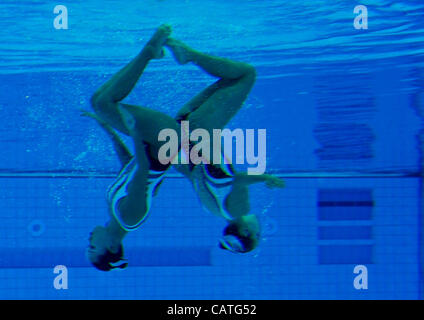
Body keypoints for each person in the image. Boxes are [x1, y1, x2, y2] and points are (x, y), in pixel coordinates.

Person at [85, 24, 284, 271]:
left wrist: (114, 130)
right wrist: (136, 133)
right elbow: (148, 172)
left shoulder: (214, 209)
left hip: (181, 138)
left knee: (240, 77)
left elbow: (143, 168)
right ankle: (159, 52)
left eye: (257, 235)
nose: (89, 242)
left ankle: (173, 53)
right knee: (102, 103)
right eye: (92, 247)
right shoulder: (129, 217)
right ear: (112, 247)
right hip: (171, 142)